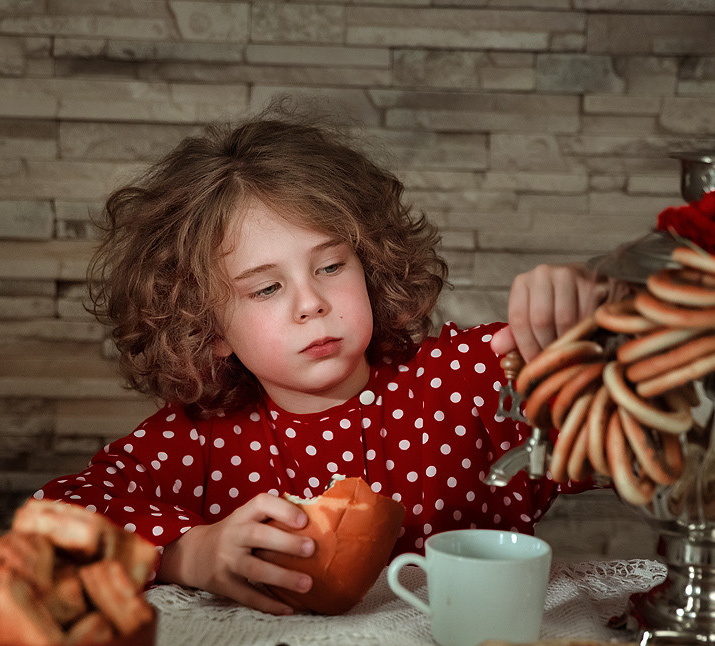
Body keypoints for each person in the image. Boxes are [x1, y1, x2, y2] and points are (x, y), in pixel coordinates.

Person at [35, 110, 609, 614]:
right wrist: (190, 552)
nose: (311, 303)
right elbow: (52, 516)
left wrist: (598, 320)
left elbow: (643, 427)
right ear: (209, 330)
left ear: (371, 266)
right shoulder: (198, 437)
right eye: (266, 289)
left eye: (330, 267)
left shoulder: (474, 376)